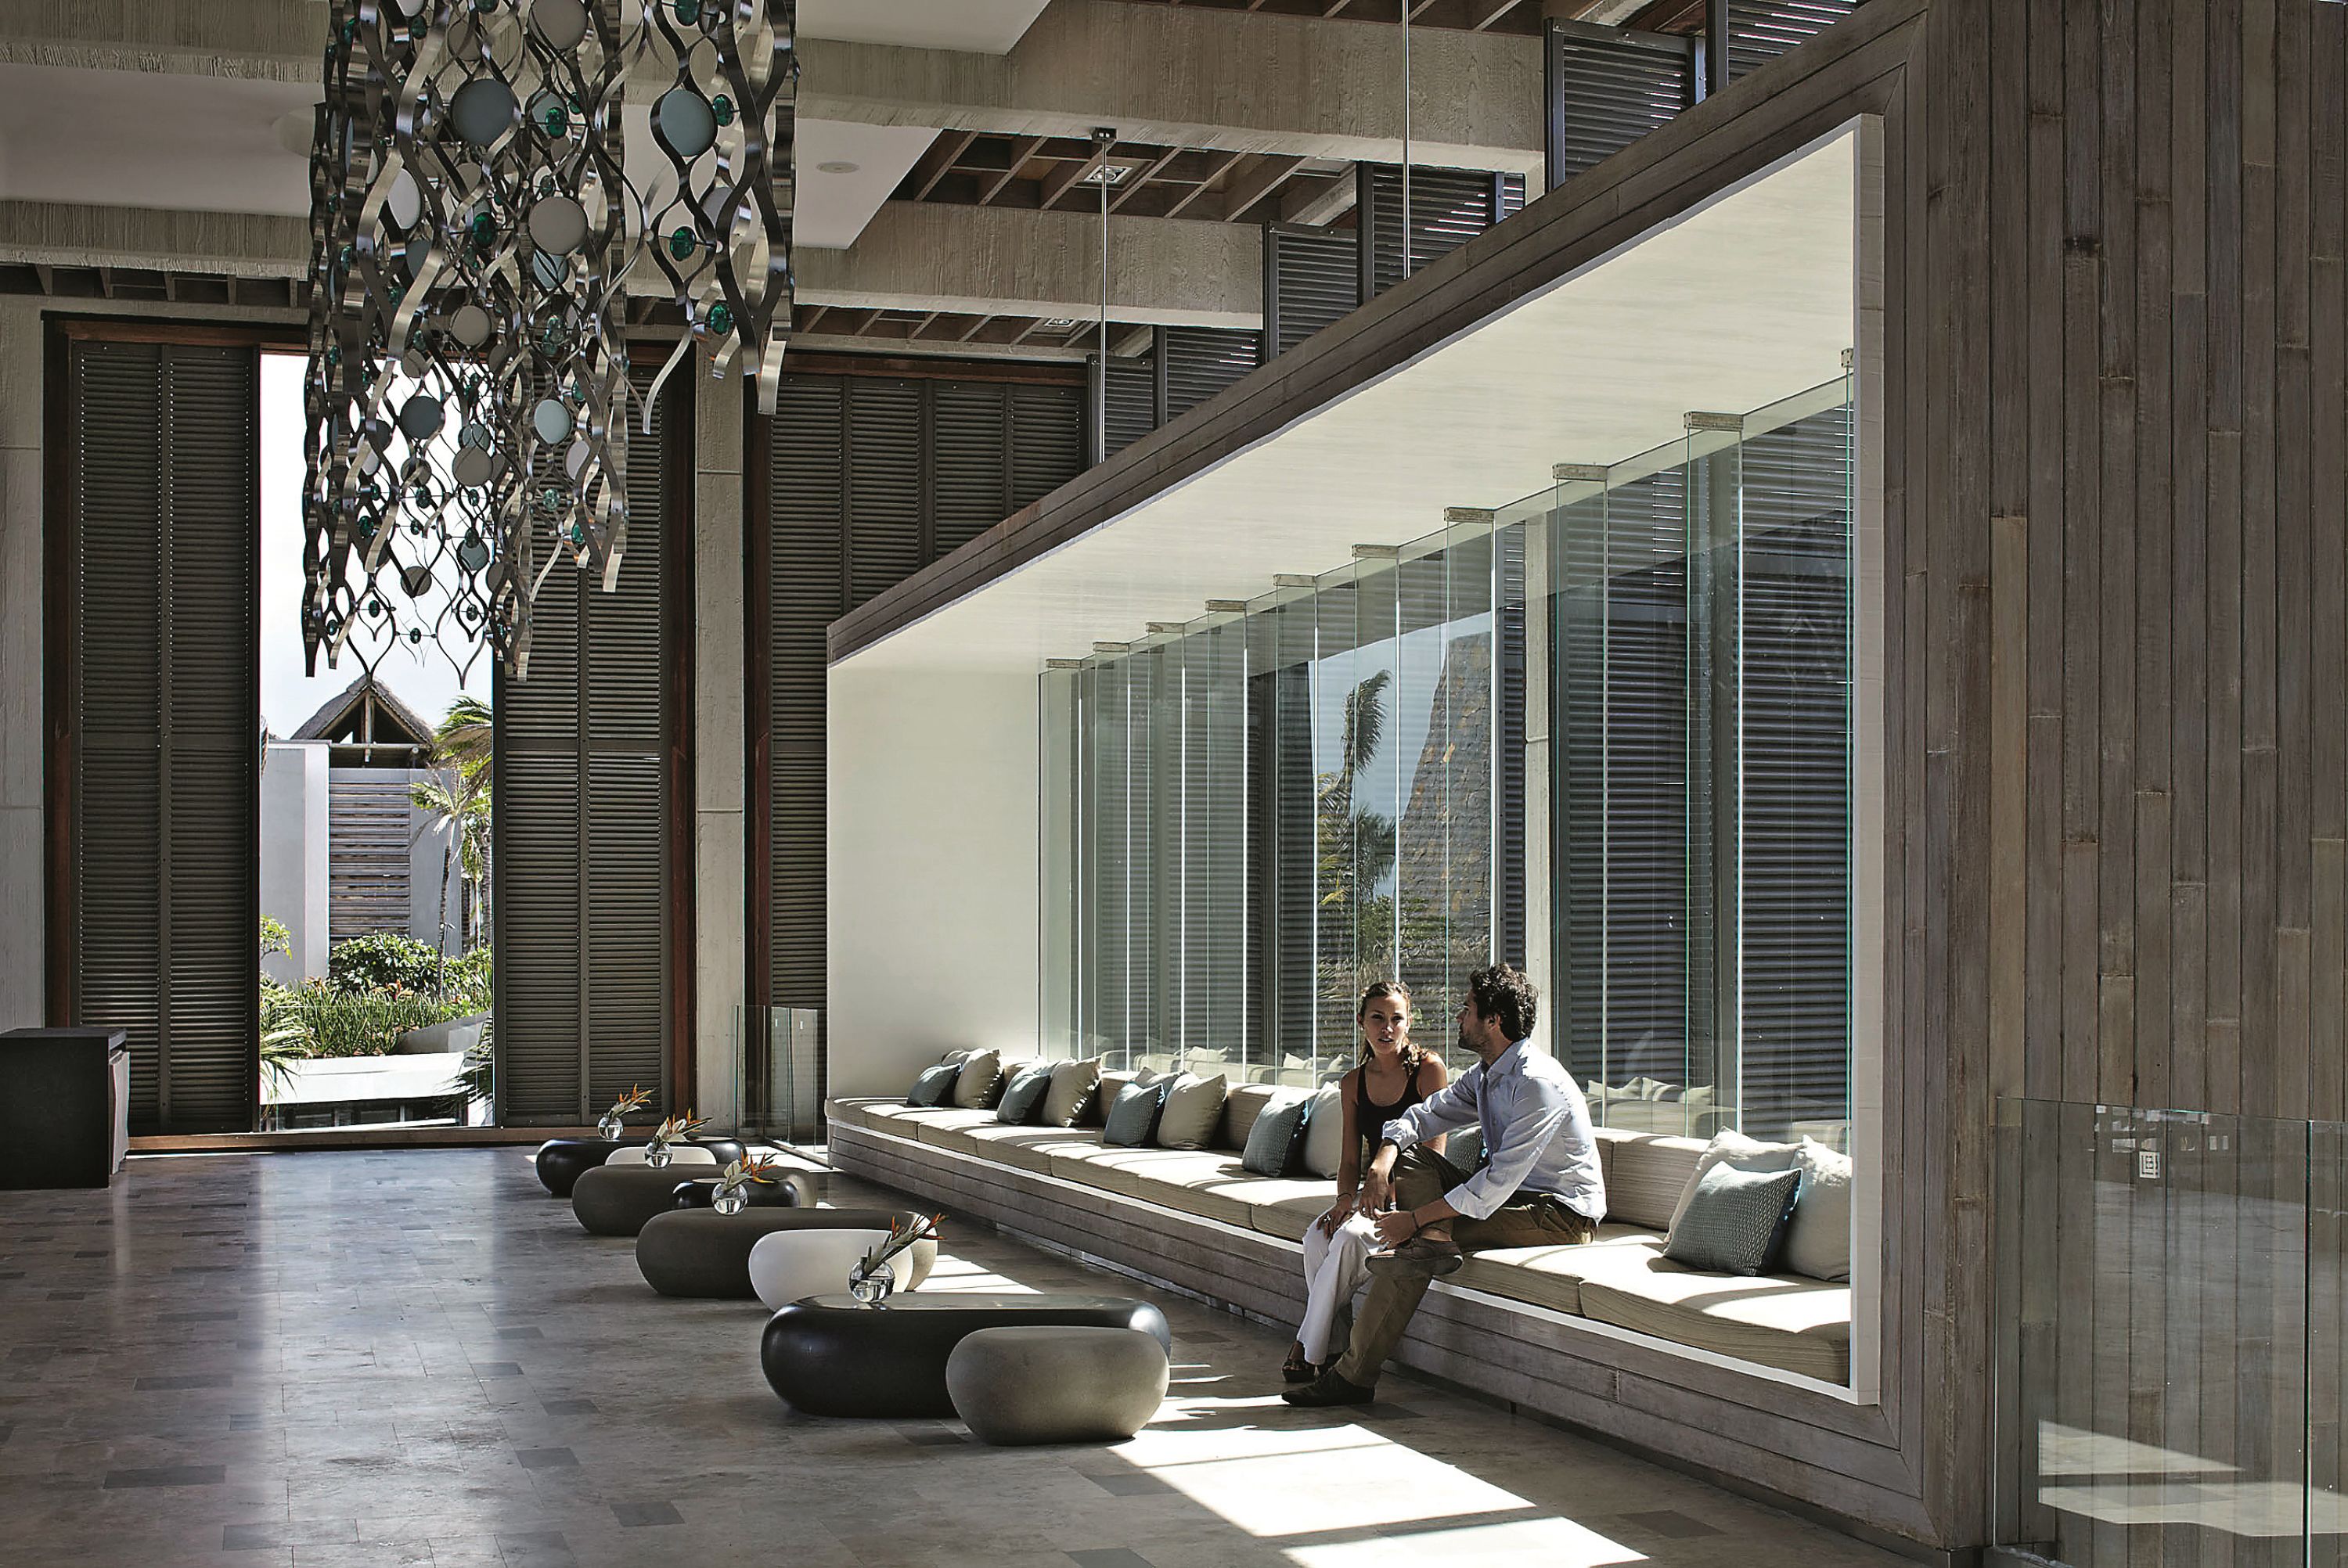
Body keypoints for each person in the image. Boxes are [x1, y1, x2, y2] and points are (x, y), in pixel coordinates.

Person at [1284, 962, 1604, 1408]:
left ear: (1493, 1021)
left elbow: (1493, 1184)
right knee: (1411, 1157)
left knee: (1412, 1248)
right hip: (1513, 1199)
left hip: (1559, 1214)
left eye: (1468, 1010)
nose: (1459, 1017)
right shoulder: (1488, 1073)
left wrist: (1414, 1219)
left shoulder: (1536, 1085)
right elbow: (1423, 1116)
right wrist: (1381, 1161)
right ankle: (1428, 1245)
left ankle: (1353, 1375)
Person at [1282, 980, 1449, 1384]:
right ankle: (1332, 1347)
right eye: (1378, 1019)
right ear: (1362, 1022)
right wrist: (1344, 1199)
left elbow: (1434, 1157)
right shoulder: (1353, 1082)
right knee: (1317, 1237)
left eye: (1396, 1019)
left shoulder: (1429, 1070)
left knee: (1346, 1240)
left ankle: (1308, 1348)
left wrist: (1383, 1195)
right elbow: (1347, 1159)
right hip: (1368, 1196)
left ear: (1409, 1023)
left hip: (1413, 1200)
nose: (1387, 1028)